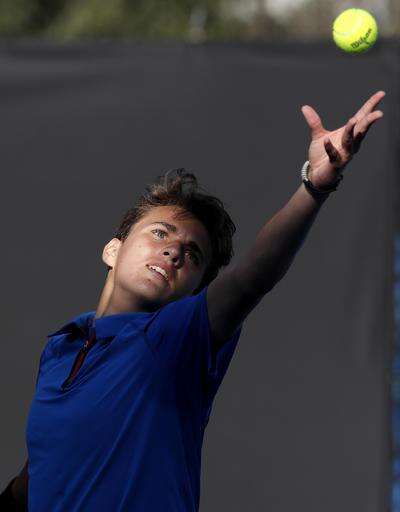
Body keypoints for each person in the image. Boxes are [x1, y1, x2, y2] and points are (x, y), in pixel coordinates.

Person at [0, 90, 385, 511]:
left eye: (193, 254)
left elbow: (251, 279)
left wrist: (314, 186)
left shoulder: (173, 339)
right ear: (113, 250)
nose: (174, 252)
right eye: (160, 233)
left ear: (195, 290)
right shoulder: (61, 348)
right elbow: (48, 461)